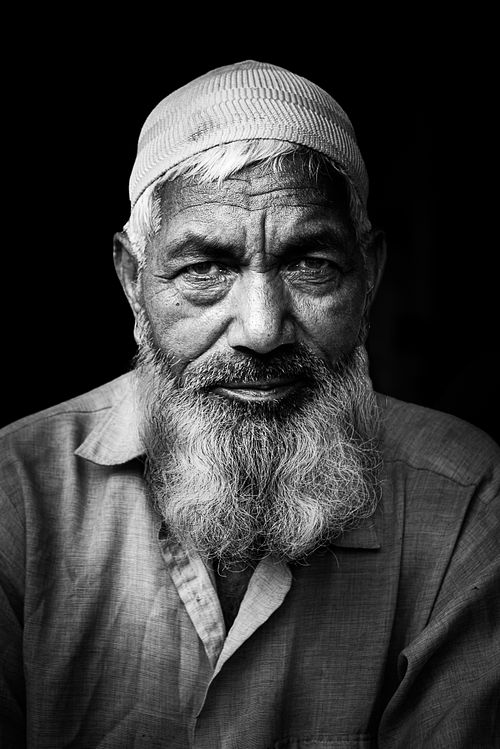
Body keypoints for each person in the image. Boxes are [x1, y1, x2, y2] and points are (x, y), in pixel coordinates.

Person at [0, 60, 498, 749]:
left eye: (311, 264)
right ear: (133, 281)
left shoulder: (466, 497)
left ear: (370, 274)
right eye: (205, 268)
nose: (262, 330)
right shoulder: (17, 494)